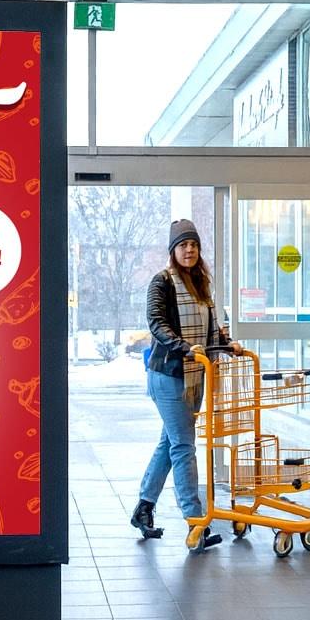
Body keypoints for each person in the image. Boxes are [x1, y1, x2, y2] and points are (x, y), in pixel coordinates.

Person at [131, 218, 232, 546]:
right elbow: (157, 323)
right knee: (184, 446)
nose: (189, 250)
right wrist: (186, 348)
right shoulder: (161, 282)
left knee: (170, 443)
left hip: (195, 376)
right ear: (173, 250)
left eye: (194, 245)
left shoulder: (201, 283)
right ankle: (195, 521)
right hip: (168, 375)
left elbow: (211, 326)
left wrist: (226, 343)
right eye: (183, 245)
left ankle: (144, 508)